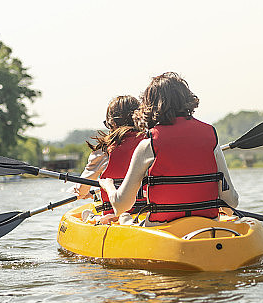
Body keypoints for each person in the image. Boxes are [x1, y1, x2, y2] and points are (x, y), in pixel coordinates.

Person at [100, 72, 239, 225]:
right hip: (207, 224)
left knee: (125, 217)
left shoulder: (149, 143)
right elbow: (231, 203)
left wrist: (109, 185)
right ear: (187, 99)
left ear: (149, 105)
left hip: (162, 227)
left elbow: (121, 206)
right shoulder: (211, 135)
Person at [71, 95, 146, 223]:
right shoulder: (150, 143)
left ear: (112, 123)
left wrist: (83, 192)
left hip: (114, 215)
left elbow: (82, 190)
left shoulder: (103, 150)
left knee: (87, 214)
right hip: (146, 213)